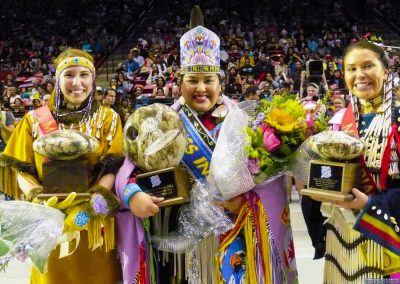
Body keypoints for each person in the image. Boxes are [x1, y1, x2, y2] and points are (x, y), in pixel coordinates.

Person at [115, 6, 298, 284]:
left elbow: (271, 182)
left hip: (235, 230)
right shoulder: (161, 122)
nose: (201, 88)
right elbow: (129, 171)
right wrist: (133, 196)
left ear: (219, 82)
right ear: (179, 83)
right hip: (178, 240)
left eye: (208, 80)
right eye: (193, 80)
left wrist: (245, 203)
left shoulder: (244, 121)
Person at [0, 48, 124, 283]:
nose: (77, 82)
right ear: (57, 80)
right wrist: (38, 200)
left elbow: (113, 170)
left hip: (95, 224)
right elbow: (20, 170)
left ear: (93, 80)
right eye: (69, 75)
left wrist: (89, 210)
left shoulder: (109, 118)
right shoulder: (34, 120)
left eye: (83, 75)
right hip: (48, 224)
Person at [320, 41, 400, 282]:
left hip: (388, 236)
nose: (359, 75)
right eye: (351, 68)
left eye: (368, 66)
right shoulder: (339, 121)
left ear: (386, 70)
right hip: (344, 240)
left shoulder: (397, 118)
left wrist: (370, 204)